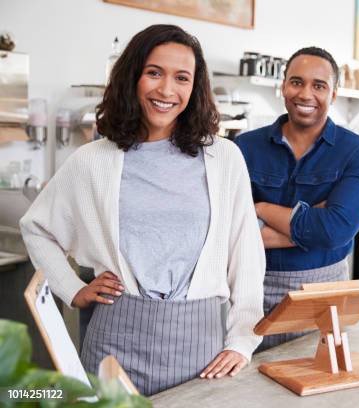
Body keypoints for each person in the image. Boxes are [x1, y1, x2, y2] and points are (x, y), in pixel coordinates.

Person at [20, 24, 265, 395]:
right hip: (115, 343)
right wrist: (72, 288)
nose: (167, 90)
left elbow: (245, 251)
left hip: (202, 344)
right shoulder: (93, 160)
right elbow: (36, 227)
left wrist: (242, 339)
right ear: (132, 77)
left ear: (194, 88)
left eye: (181, 78)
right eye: (154, 73)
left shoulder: (223, 157)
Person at [235, 47, 359, 350]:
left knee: (313, 383)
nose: (305, 94)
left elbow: (334, 231)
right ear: (283, 85)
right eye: (296, 82)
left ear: (334, 94)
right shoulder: (243, 148)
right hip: (251, 288)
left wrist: (260, 209)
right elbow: (229, 230)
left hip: (323, 294)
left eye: (319, 85)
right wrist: (311, 224)